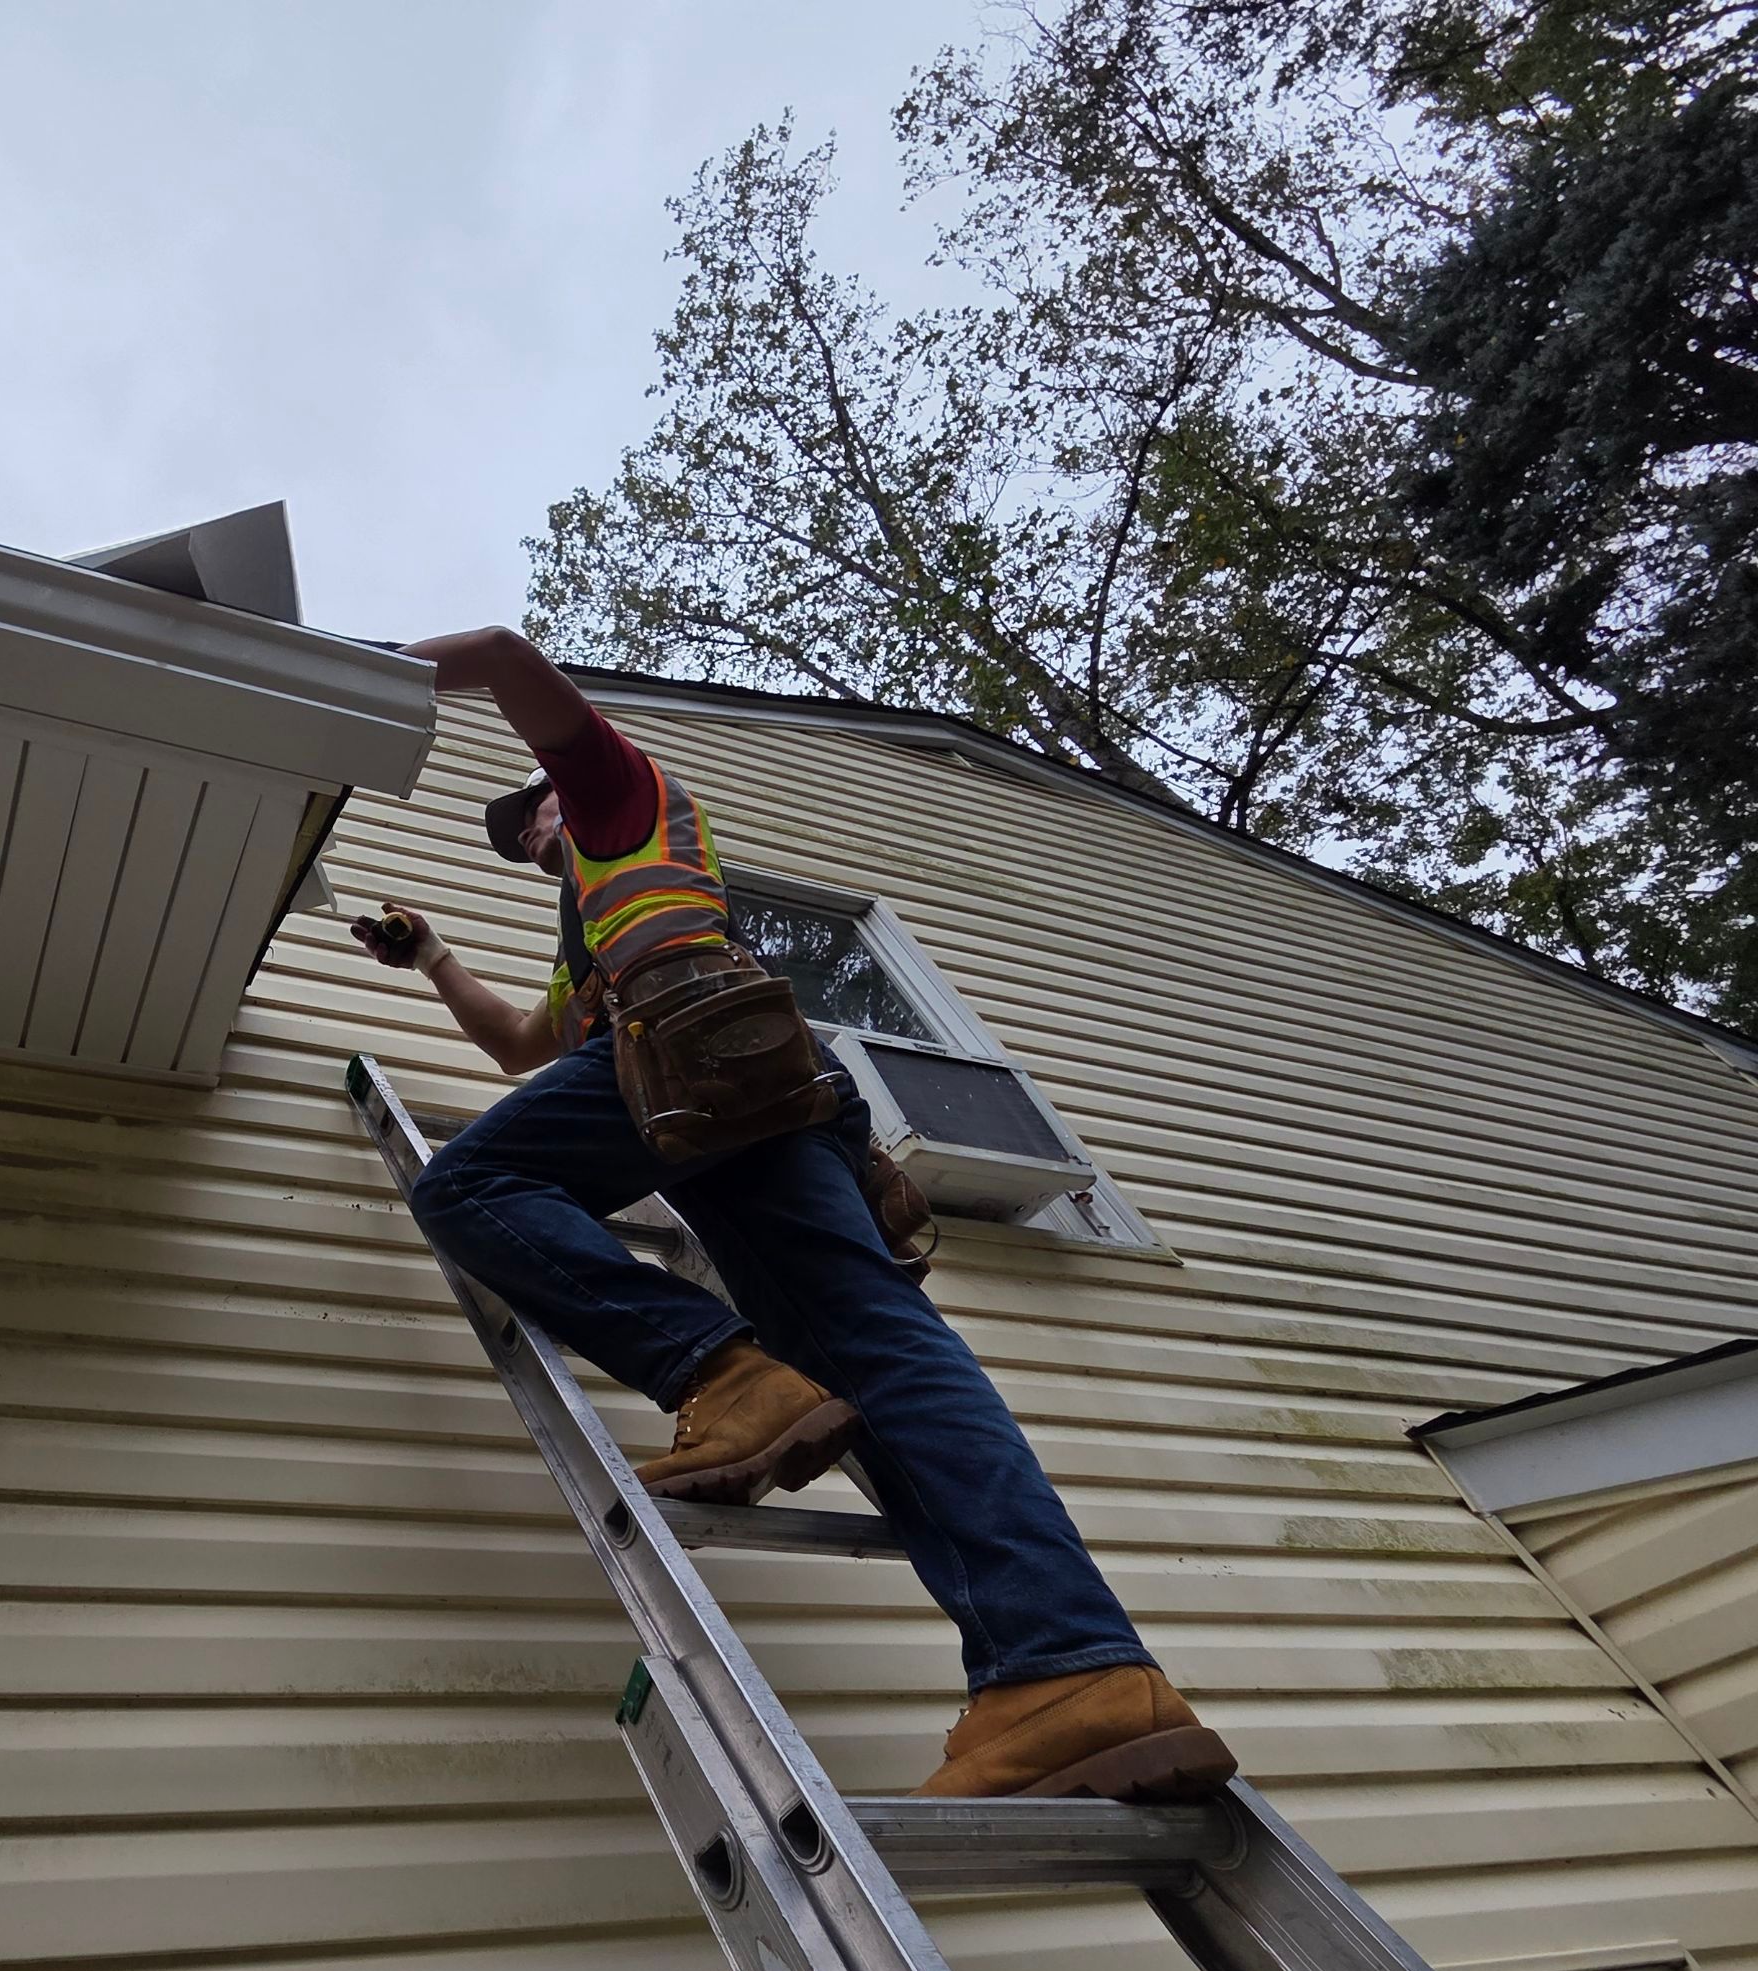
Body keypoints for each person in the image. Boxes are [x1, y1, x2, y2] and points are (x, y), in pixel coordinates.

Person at [361, 626, 1236, 1803]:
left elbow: (505, 658)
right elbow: (525, 1045)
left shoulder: (624, 801)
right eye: (520, 833)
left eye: (536, 810)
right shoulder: (595, 942)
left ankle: (722, 1379)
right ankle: (1064, 1670)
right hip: (715, 1087)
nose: (531, 831)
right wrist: (434, 958)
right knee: (873, 1355)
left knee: (468, 1187)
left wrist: (346, 666)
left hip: (700, 1045)